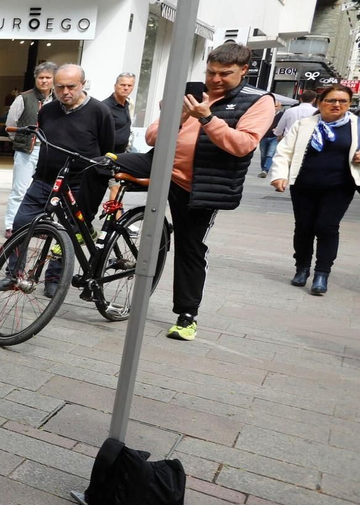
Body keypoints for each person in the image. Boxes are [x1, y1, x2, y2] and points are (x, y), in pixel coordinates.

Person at [113, 41, 275, 341]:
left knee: (190, 246)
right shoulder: (190, 90)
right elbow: (152, 137)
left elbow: (243, 145)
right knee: (99, 163)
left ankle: (186, 316)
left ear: (244, 70)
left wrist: (206, 118)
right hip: (162, 166)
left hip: (200, 182)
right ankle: (87, 233)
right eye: (211, 72)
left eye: (225, 74)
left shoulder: (258, 101)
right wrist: (182, 116)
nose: (215, 80)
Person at [0, 64, 114, 292]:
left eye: (71, 86)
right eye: (59, 87)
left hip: (78, 184)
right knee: (21, 224)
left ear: (83, 84)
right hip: (44, 180)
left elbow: (107, 150)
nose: (65, 92)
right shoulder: (48, 110)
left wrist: (102, 186)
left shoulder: (99, 112)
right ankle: (14, 275)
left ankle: (53, 279)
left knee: (67, 233)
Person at [270, 82, 360, 296]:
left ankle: (322, 273)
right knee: (304, 228)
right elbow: (284, 151)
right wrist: (279, 175)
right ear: (319, 103)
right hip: (304, 185)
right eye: (331, 100)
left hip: (340, 187)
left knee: (327, 227)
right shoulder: (304, 124)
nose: (336, 105)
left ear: (349, 104)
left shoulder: (357, 126)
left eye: (342, 101)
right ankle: (302, 269)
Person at [4, 63, 56, 233]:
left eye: (48, 77)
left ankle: (38, 226)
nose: (44, 81)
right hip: (27, 150)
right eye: (41, 77)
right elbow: (11, 123)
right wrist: (20, 141)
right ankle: (12, 225)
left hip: (49, 151)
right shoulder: (24, 98)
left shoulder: (58, 100)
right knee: (19, 189)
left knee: (44, 190)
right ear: (35, 78)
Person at [103, 72, 137, 152]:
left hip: (123, 151)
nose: (126, 88)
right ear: (115, 86)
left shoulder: (128, 104)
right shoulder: (104, 107)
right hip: (108, 154)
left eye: (129, 86)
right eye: (122, 85)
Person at [260, 99, 289, 178]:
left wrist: (279, 132)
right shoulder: (266, 114)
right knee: (263, 155)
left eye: (276, 106)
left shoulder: (282, 115)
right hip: (264, 136)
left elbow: (284, 124)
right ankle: (263, 168)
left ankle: (265, 170)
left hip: (274, 137)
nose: (274, 108)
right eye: (273, 106)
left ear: (280, 107)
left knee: (270, 154)